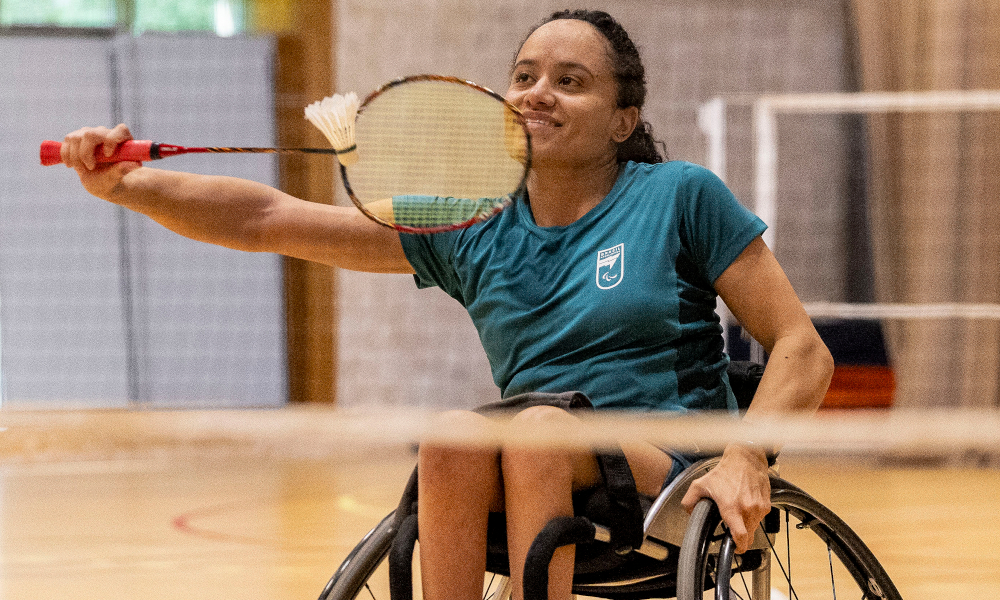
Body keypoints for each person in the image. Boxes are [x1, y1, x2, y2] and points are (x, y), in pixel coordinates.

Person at [59, 9, 833, 600]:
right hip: (543, 448)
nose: (538, 93)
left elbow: (802, 345)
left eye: (570, 81)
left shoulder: (678, 196)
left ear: (622, 120)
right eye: (525, 75)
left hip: (668, 470)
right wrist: (127, 183)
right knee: (454, 436)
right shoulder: (471, 224)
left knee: (532, 430)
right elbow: (270, 220)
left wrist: (743, 458)